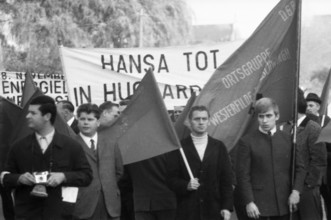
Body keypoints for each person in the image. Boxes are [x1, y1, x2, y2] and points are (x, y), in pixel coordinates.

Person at [1, 95, 92, 220]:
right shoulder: (19, 146)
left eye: (33, 113)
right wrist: (19, 178)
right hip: (27, 213)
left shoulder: (71, 146)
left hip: (59, 212)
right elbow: (5, 176)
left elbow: (86, 176)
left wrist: (63, 177)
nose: (28, 116)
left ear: (47, 116)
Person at [235, 97, 305, 220]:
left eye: (268, 116)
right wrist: (249, 202)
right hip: (259, 206)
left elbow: (300, 168)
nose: (265, 120)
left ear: (277, 116)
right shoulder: (246, 141)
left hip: (286, 202)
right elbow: (242, 175)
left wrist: (296, 191)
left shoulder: (289, 139)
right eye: (261, 116)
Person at [168, 105, 233, 220]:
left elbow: (227, 179)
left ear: (209, 121)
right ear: (189, 122)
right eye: (197, 119)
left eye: (204, 119)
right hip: (188, 211)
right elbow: (170, 179)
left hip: (214, 209)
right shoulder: (180, 148)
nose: (201, 122)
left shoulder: (218, 146)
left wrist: (226, 207)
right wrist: (186, 185)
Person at [73, 103, 123, 220]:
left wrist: (107, 185)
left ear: (98, 122)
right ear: (78, 121)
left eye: (90, 119)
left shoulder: (111, 143)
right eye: (82, 119)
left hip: (110, 205)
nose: (86, 122)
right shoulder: (70, 144)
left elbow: (118, 171)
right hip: (83, 206)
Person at [281, 92, 327, 220]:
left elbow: (319, 161)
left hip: (307, 190)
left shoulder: (313, 128)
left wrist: (305, 186)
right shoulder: (286, 127)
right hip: (289, 188)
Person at [125, 153, 177, 220]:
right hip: (168, 200)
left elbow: (124, 180)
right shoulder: (167, 147)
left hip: (141, 203)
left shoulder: (130, 152)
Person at [306, 92, 331, 220]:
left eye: (311, 105)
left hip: (326, 173)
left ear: (317, 107)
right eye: (306, 105)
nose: (308, 108)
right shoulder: (304, 123)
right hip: (311, 174)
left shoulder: (326, 121)